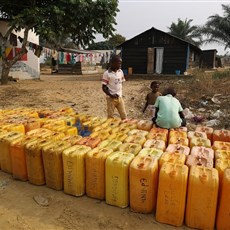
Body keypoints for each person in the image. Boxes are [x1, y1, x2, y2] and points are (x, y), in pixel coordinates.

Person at [102, 55, 127, 120]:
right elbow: (104, 87)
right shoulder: (107, 73)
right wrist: (111, 95)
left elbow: (122, 82)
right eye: (119, 63)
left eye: (121, 63)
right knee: (110, 116)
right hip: (111, 99)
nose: (120, 65)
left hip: (119, 97)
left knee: (124, 115)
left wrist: (119, 92)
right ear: (112, 63)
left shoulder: (120, 71)